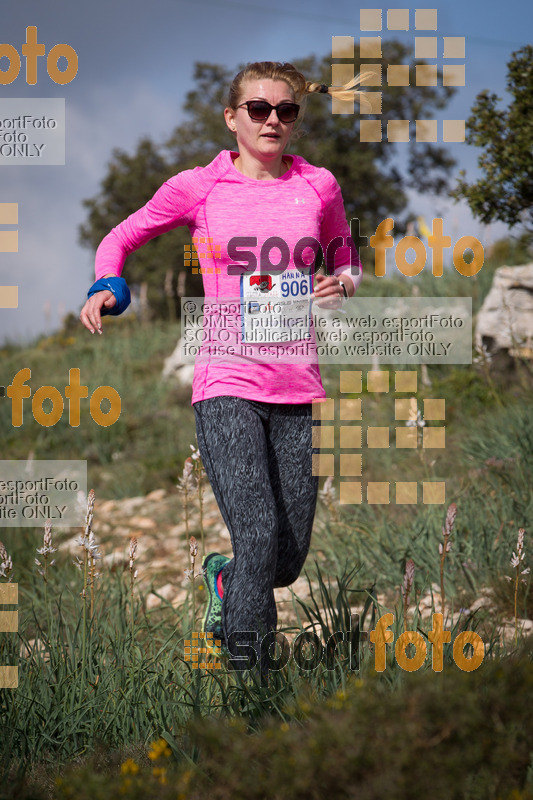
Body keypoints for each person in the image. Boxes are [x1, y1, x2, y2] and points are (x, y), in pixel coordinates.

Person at [80, 61, 364, 675]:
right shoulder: (200, 186)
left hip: (297, 388)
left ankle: (226, 583)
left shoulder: (319, 185)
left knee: (285, 561)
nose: (272, 121)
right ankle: (250, 690)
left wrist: (342, 281)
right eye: (258, 109)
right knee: (258, 536)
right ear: (232, 117)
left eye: (285, 111)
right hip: (227, 383)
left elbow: (347, 253)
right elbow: (122, 236)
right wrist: (109, 286)